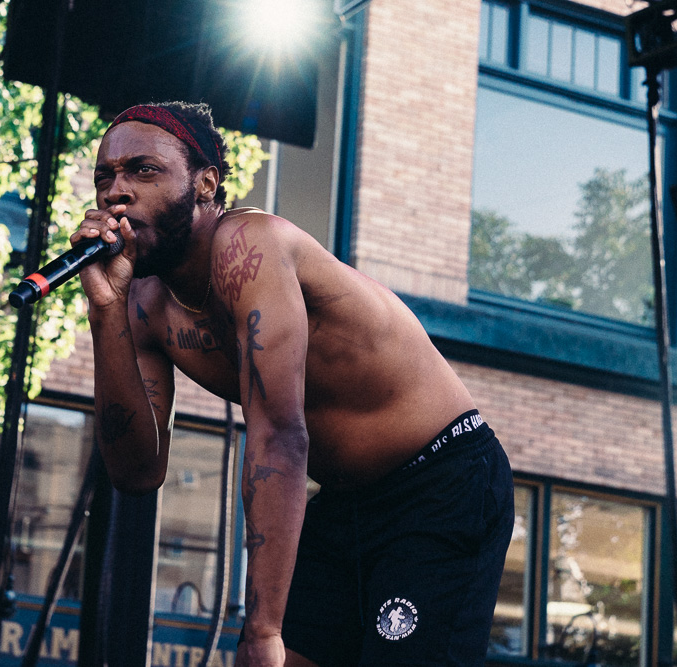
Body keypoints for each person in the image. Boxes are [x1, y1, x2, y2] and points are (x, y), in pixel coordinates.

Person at [73, 101, 514, 667]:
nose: (116, 191)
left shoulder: (250, 245)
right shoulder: (142, 302)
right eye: (105, 176)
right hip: (347, 501)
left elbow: (282, 435)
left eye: (143, 170)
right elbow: (137, 472)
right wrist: (105, 313)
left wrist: (261, 630)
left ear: (206, 183)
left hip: (443, 482)